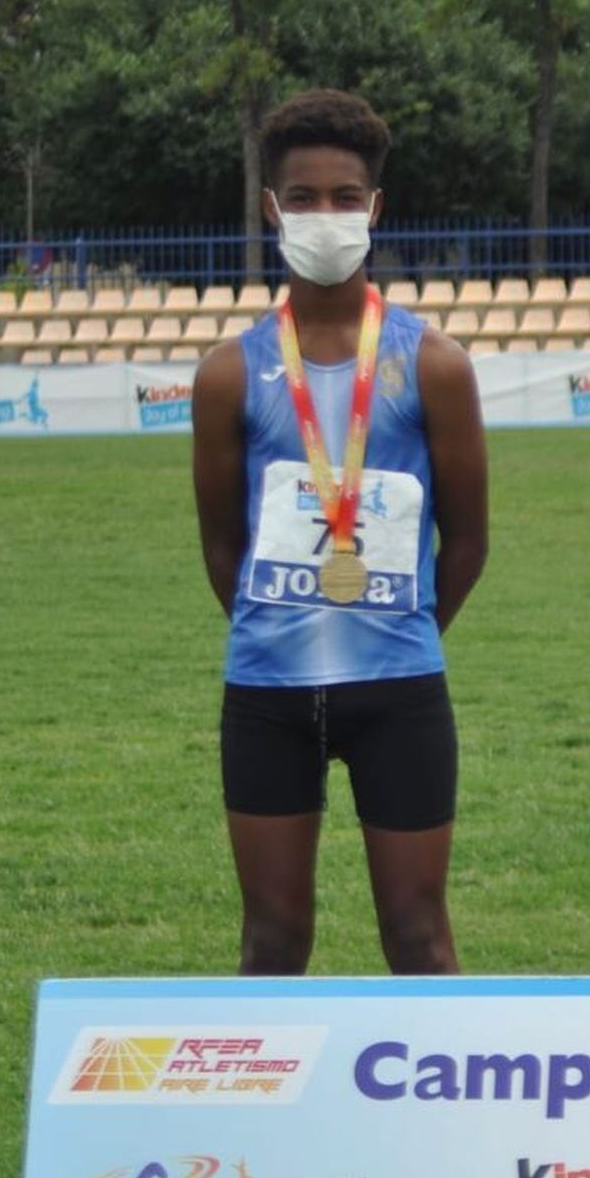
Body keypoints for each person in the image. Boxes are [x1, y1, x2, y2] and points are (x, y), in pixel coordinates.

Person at [192, 89, 488, 975]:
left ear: (375, 210)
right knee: (271, 941)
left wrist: (400, 631)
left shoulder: (433, 364)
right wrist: (276, 626)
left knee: (419, 937)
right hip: (267, 695)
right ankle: (261, 1118)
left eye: (346, 197)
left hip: (400, 691)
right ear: (273, 210)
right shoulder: (227, 374)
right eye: (307, 198)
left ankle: (441, 1113)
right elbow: (220, 546)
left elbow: (468, 539)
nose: (328, 215)